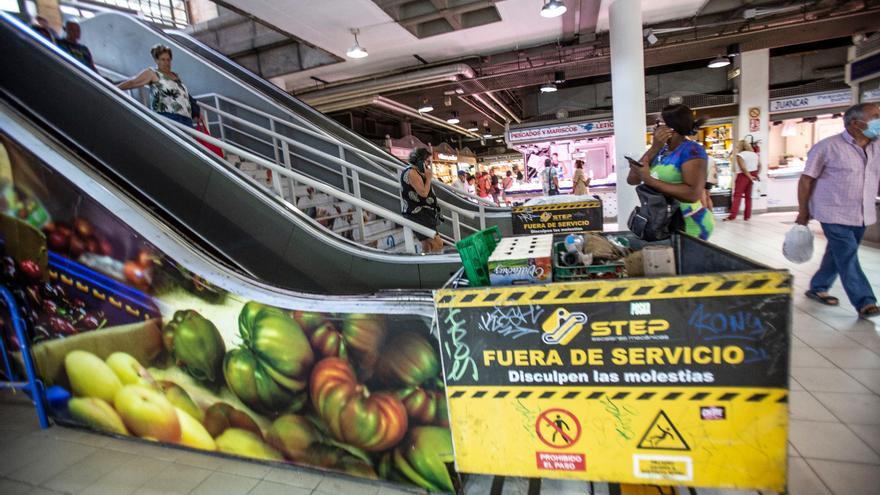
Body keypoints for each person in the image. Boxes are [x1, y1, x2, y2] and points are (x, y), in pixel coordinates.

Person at [798, 102, 880, 319]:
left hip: (863, 213)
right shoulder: (827, 147)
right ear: (856, 124)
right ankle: (865, 301)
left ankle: (818, 286)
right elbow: (806, 179)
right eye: (876, 116)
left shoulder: (877, 146)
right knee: (847, 255)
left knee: (837, 254)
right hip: (832, 212)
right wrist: (803, 211)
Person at [628, 104, 714, 240]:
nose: (654, 128)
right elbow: (632, 178)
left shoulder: (692, 150)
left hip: (688, 224)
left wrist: (650, 181)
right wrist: (655, 147)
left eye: (659, 123)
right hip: (663, 220)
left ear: (671, 128)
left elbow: (693, 194)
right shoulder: (661, 150)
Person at [118, 45, 194, 126]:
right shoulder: (152, 73)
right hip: (168, 117)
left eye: (168, 60)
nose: (166, 63)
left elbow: (183, 96)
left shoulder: (175, 75)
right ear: (156, 60)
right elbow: (133, 82)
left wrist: (196, 111)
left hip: (186, 118)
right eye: (163, 59)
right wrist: (114, 88)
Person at [399, 148, 443, 253]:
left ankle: (426, 265)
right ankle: (434, 266)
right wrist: (428, 178)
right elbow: (423, 193)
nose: (428, 165)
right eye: (427, 161)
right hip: (418, 214)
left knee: (427, 246)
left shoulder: (416, 172)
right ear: (419, 161)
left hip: (423, 213)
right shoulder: (412, 173)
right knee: (438, 243)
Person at [724, 140, 760, 221]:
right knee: (748, 197)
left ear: (740, 146)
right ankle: (747, 216)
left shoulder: (740, 155)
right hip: (753, 174)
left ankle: (732, 216)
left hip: (743, 176)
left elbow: (743, 168)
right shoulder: (755, 154)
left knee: (737, 196)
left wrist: (749, 176)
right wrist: (754, 175)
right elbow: (759, 165)